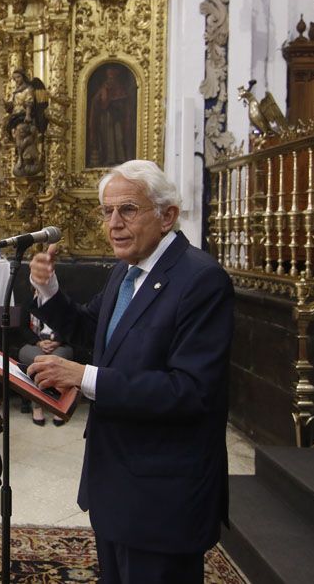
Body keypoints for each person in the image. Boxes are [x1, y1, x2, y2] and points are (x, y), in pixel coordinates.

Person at [28, 160, 233, 584]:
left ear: (167, 216)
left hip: (163, 494)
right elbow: (92, 330)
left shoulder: (201, 280)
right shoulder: (126, 270)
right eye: (107, 212)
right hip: (116, 481)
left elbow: (190, 390)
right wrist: (48, 291)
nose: (114, 224)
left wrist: (84, 377)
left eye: (128, 210)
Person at [16, 287, 74, 426]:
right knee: (39, 361)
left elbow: (71, 326)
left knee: (52, 361)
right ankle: (38, 405)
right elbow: (23, 328)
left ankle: (58, 406)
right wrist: (39, 342)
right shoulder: (28, 303)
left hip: (59, 345)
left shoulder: (64, 303)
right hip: (34, 344)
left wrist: (57, 342)